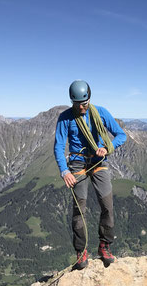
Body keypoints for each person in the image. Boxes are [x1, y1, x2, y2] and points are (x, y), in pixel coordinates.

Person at [54, 80, 126, 269]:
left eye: (84, 104)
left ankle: (105, 246)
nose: (81, 107)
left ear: (89, 99)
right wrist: (64, 171)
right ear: (72, 102)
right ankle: (81, 250)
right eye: (77, 104)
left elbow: (121, 135)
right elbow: (59, 146)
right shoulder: (65, 118)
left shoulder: (100, 112)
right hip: (77, 163)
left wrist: (107, 148)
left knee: (107, 205)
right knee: (80, 208)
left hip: (98, 161)